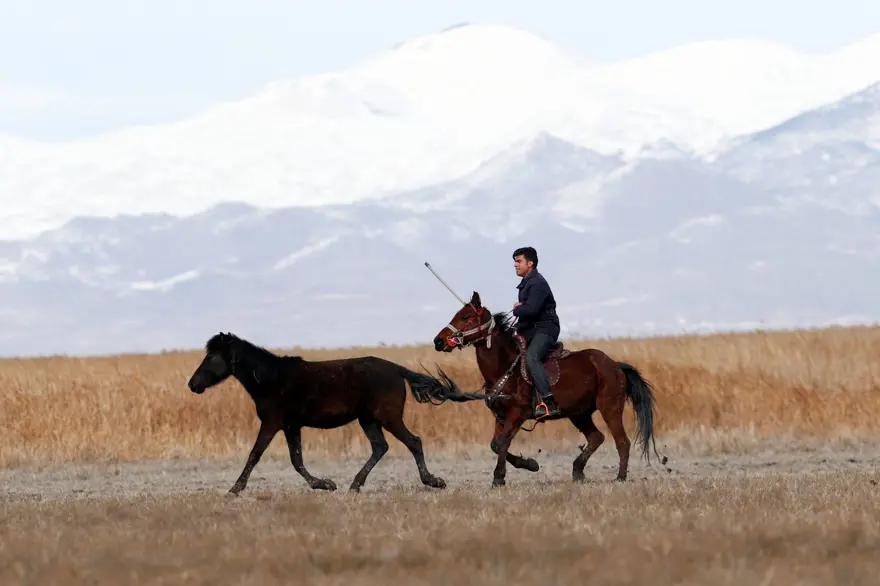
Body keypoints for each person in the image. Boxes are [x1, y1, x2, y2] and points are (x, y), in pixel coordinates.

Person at [511, 246, 560, 419]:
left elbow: (531, 310)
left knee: (532, 357)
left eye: (519, 261)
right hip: (533, 329)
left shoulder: (537, 283)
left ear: (530, 263)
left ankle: (549, 403)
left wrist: (517, 309)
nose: (515, 265)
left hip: (546, 328)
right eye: (515, 262)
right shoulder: (526, 283)